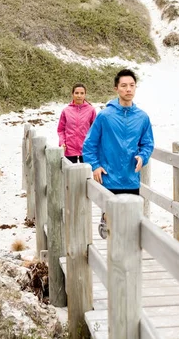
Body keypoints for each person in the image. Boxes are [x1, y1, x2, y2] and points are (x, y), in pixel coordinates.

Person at [82, 68, 154, 239]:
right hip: (108, 177)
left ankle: (127, 262)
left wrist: (143, 157)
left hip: (131, 178)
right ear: (116, 89)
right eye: (124, 86)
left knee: (130, 226)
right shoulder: (105, 116)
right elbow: (89, 144)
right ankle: (106, 220)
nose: (128, 89)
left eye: (132, 85)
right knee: (113, 226)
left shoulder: (142, 117)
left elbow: (148, 143)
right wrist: (95, 166)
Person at [57, 83, 97, 163]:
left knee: (85, 175)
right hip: (69, 149)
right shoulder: (66, 111)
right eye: (76, 93)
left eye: (82, 93)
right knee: (70, 174)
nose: (79, 96)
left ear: (85, 95)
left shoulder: (91, 110)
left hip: (86, 149)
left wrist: (93, 146)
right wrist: (62, 142)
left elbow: (95, 130)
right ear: (72, 94)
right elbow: (60, 130)